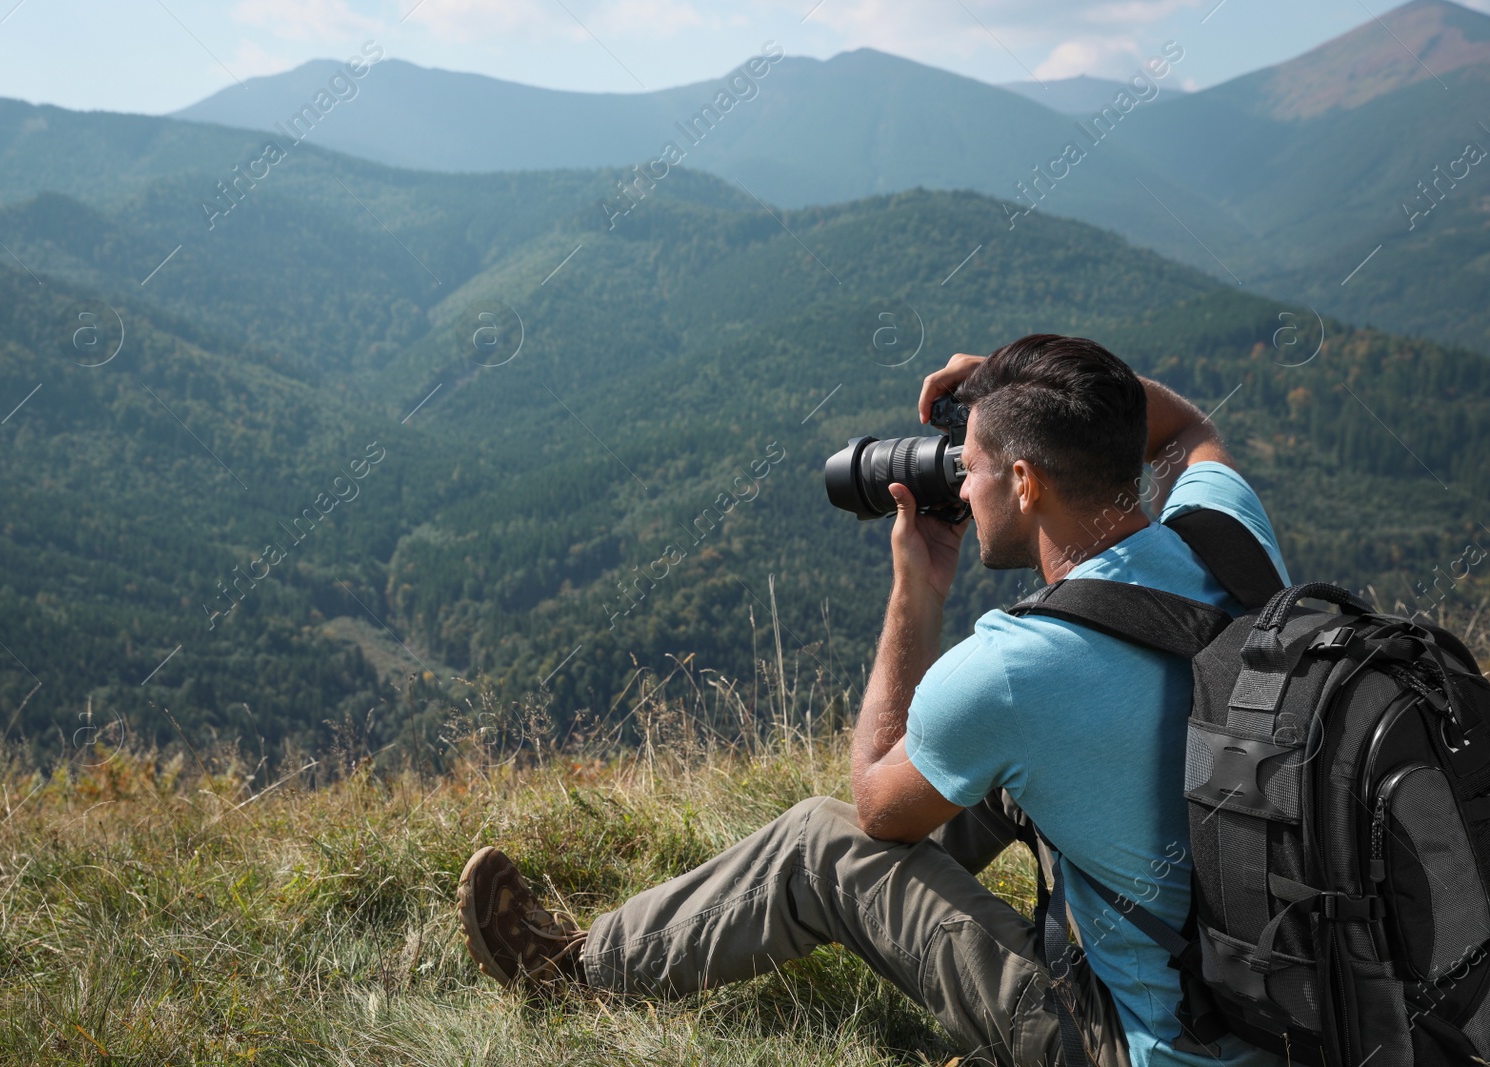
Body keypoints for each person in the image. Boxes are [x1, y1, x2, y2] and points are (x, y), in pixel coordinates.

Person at [456, 335, 1287, 1067]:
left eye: (973, 466)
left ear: (1026, 481)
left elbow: (875, 808)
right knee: (1001, 768)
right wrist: (1028, 384)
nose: (961, 489)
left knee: (821, 842)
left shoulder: (1016, 666)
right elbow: (1185, 429)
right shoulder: (1227, 535)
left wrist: (915, 594)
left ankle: (575, 969)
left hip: (1138, 1048)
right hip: (1293, 1009)